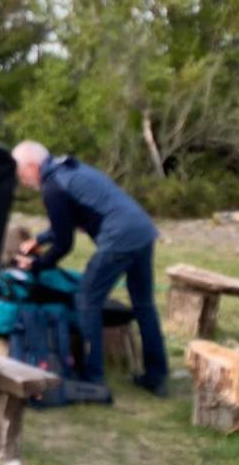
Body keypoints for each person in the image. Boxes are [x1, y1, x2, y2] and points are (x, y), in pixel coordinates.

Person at [11, 141, 169, 397]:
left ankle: (92, 378)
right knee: (144, 304)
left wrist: (37, 264)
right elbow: (66, 222)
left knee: (86, 298)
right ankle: (157, 376)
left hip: (118, 238)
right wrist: (38, 240)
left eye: (21, 173)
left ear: (32, 166)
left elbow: (64, 243)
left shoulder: (53, 187)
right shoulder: (68, 169)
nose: (22, 180)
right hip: (142, 230)